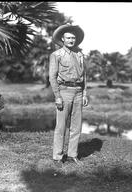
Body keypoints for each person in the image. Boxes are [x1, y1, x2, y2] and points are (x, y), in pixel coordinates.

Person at [49, 24, 89, 164]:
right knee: (61, 127)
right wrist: (57, 96)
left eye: (73, 38)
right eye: (68, 38)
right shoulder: (56, 55)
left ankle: (73, 155)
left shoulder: (80, 55)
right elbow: (52, 77)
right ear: (63, 39)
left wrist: (84, 93)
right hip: (64, 91)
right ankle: (58, 157)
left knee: (76, 126)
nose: (71, 40)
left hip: (78, 92)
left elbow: (84, 76)